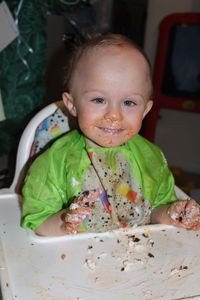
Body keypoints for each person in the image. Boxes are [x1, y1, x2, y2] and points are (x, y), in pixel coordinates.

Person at [21, 33, 200, 236]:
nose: (114, 115)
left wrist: (170, 214)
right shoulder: (53, 163)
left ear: (145, 109)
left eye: (129, 102)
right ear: (72, 104)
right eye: (99, 100)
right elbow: (37, 222)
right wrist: (64, 222)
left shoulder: (151, 159)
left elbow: (153, 211)